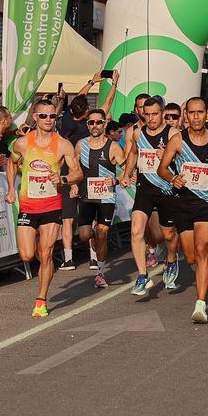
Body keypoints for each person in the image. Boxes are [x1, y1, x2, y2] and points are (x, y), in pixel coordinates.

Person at [159, 97, 208, 324]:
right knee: (192, 255)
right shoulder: (178, 141)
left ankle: (200, 304)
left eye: (200, 112)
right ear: (186, 115)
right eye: (192, 113)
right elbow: (162, 168)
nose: (196, 117)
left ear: (207, 114)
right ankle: (205, 265)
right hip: (183, 203)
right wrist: (173, 178)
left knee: (202, 248)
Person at [6, 99, 83, 318]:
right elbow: (11, 162)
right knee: (27, 254)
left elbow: (78, 173)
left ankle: (41, 299)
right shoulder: (22, 143)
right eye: (44, 116)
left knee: (47, 253)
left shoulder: (63, 144)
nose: (49, 120)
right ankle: (43, 264)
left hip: (51, 204)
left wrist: (64, 178)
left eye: (53, 116)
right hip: (28, 205)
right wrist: (11, 188)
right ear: (35, 118)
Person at [121, 96, 181, 297]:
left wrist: (168, 156)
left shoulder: (173, 133)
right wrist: (127, 173)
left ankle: (171, 260)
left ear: (163, 113)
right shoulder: (138, 133)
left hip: (167, 190)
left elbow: (185, 159)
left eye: (155, 114)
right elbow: (134, 154)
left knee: (168, 234)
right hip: (145, 189)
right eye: (147, 114)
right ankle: (142, 275)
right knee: (136, 230)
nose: (151, 118)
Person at [74, 108, 127, 289]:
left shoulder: (113, 146)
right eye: (91, 122)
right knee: (84, 235)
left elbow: (127, 172)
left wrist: (116, 179)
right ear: (87, 125)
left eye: (98, 122)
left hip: (106, 197)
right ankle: (93, 236)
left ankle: (100, 273)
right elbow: (75, 170)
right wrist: (73, 185)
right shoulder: (81, 145)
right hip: (86, 196)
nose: (95, 125)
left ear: (104, 124)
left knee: (102, 233)